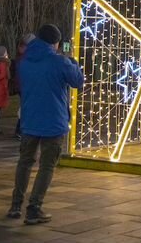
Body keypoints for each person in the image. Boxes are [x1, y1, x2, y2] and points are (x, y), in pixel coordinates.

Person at [7, 24, 84, 225]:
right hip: (53, 121)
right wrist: (72, 62)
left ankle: (16, 205)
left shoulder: (24, 62)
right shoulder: (59, 62)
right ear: (56, 42)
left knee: (24, 162)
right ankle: (34, 208)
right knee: (47, 166)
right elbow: (78, 81)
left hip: (29, 119)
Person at [9, 33, 36, 139]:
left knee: (26, 108)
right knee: (26, 109)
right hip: (24, 86)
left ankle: (22, 130)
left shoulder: (21, 58)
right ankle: (20, 130)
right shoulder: (25, 59)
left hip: (23, 86)